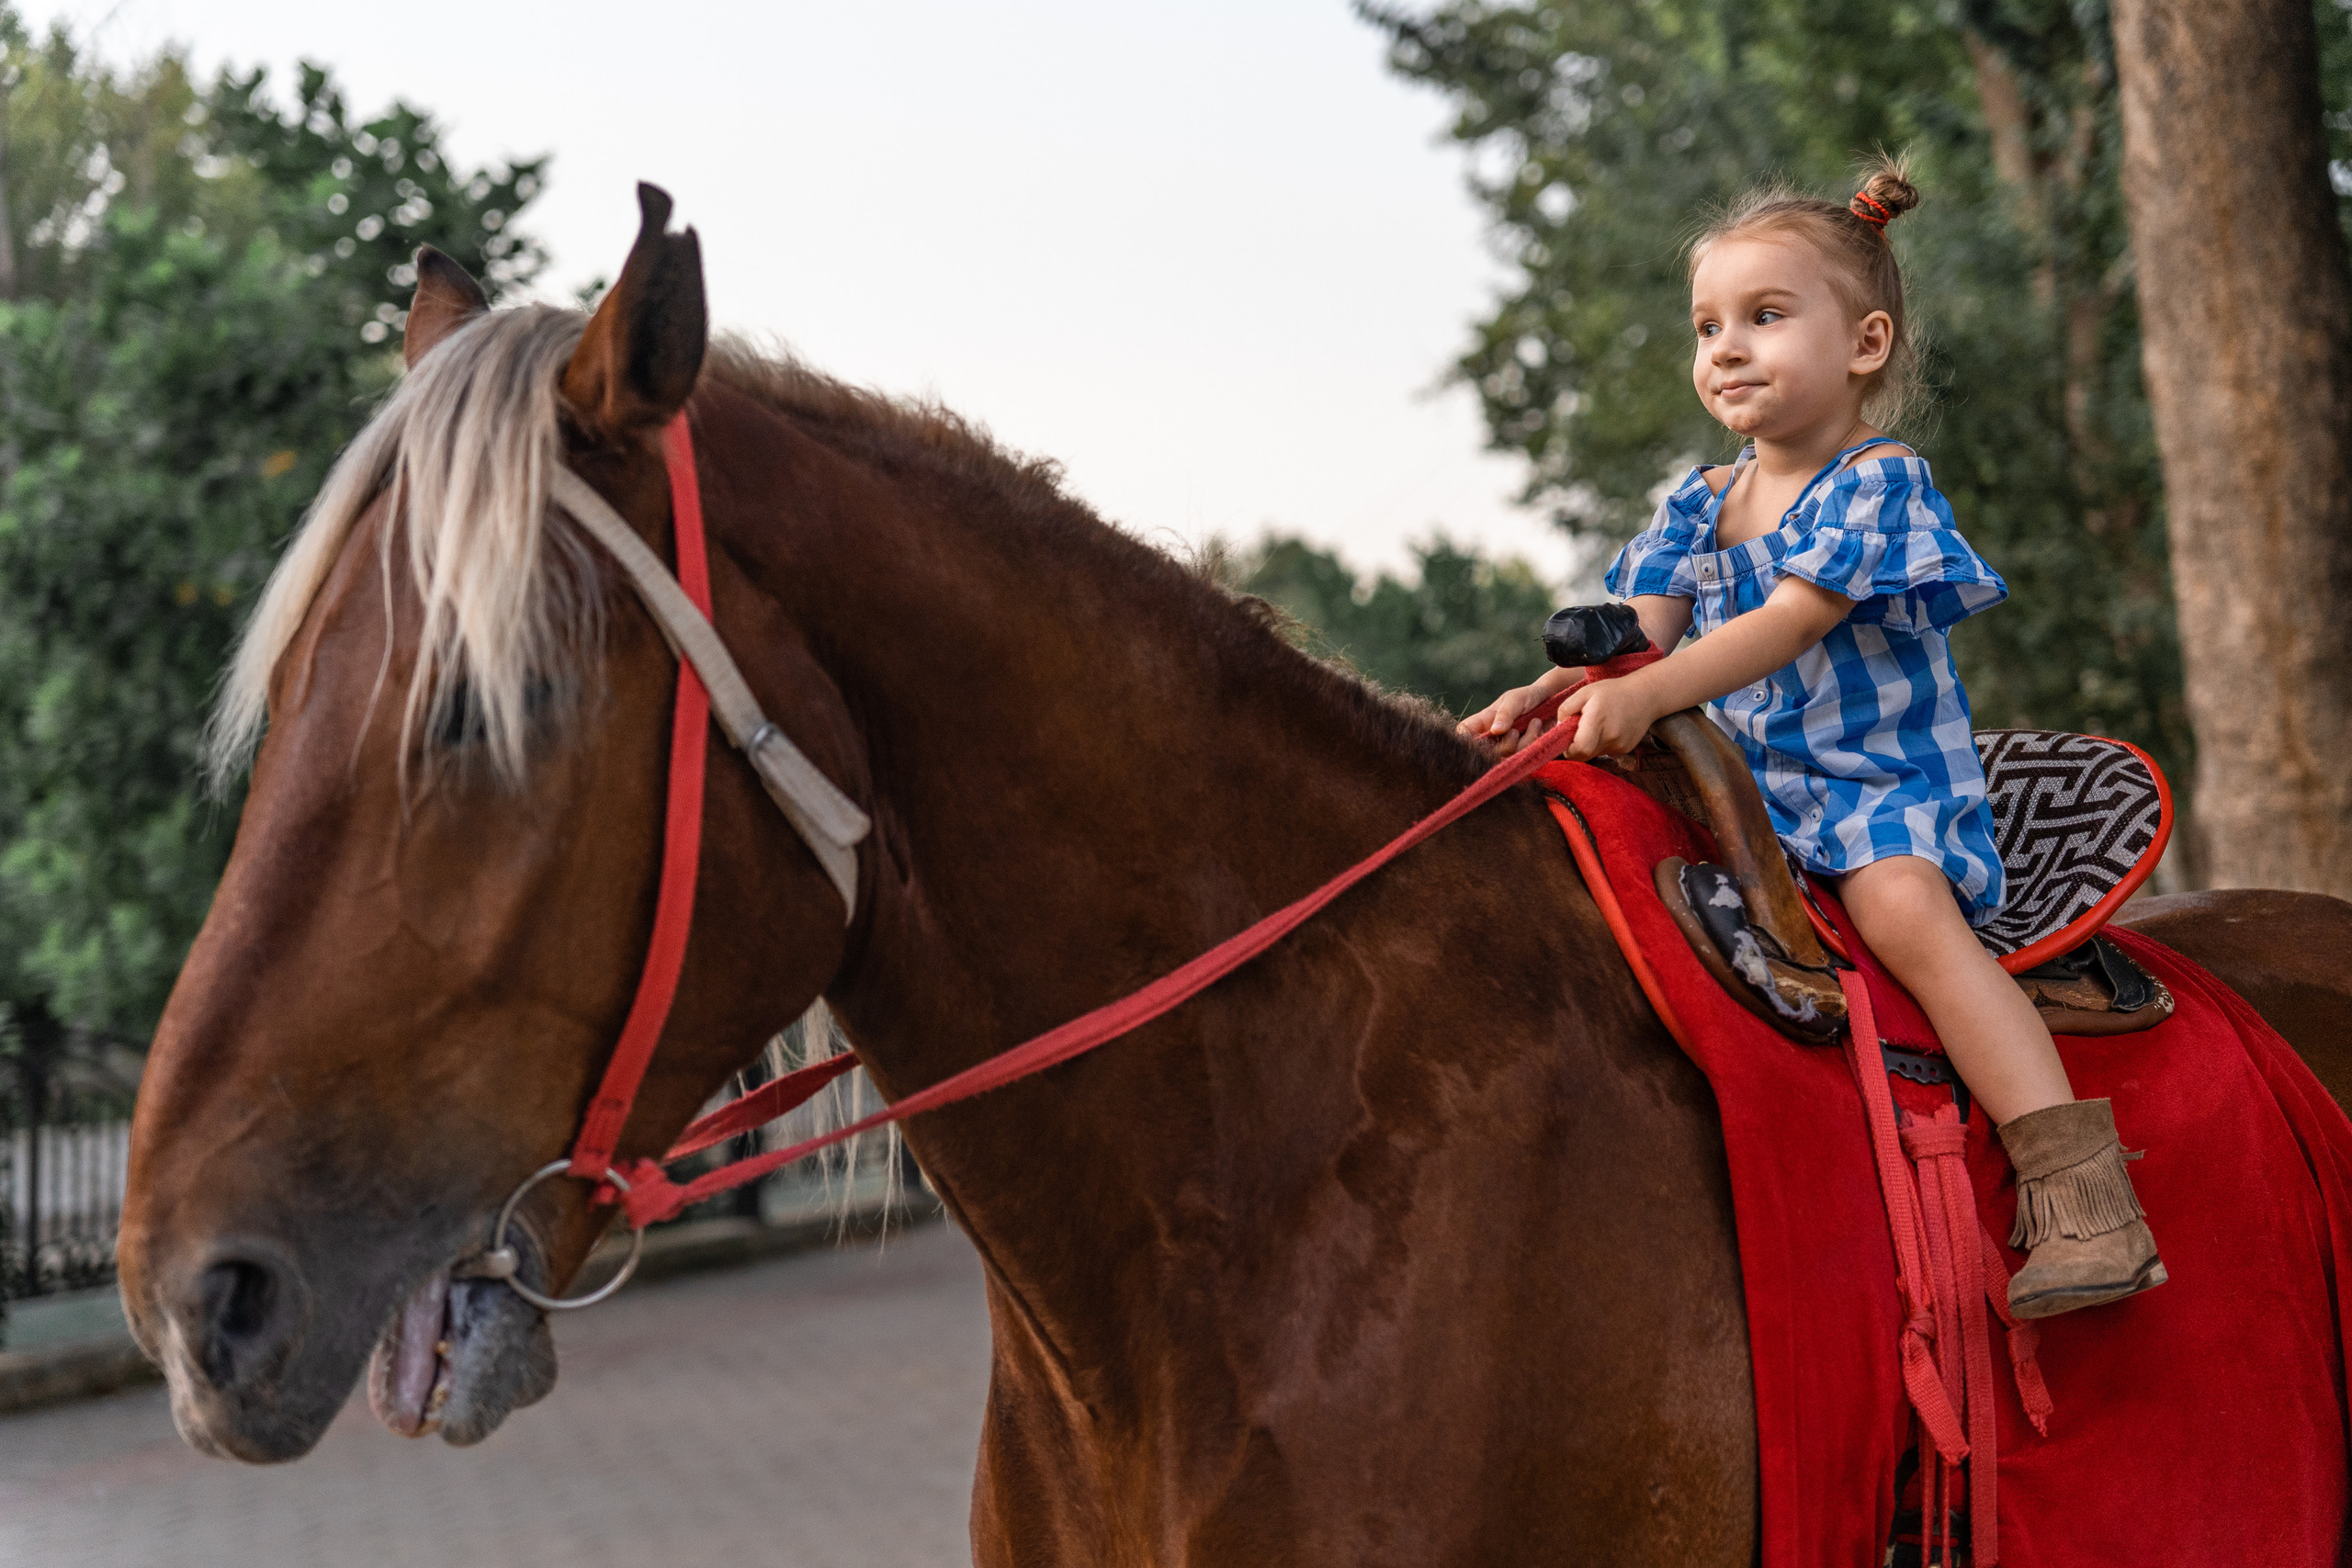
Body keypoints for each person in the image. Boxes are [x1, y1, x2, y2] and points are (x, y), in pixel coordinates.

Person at [1459, 156, 2164, 1320]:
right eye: (1707, 327)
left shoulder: (1877, 482)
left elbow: (1790, 622)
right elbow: (1638, 631)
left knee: (1907, 917)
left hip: (1874, 787)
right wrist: (1553, 689)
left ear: (1864, 344)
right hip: (1747, 791)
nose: (1725, 349)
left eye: (1765, 317)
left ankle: (2078, 1188)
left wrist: (1649, 693)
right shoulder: (1700, 498)